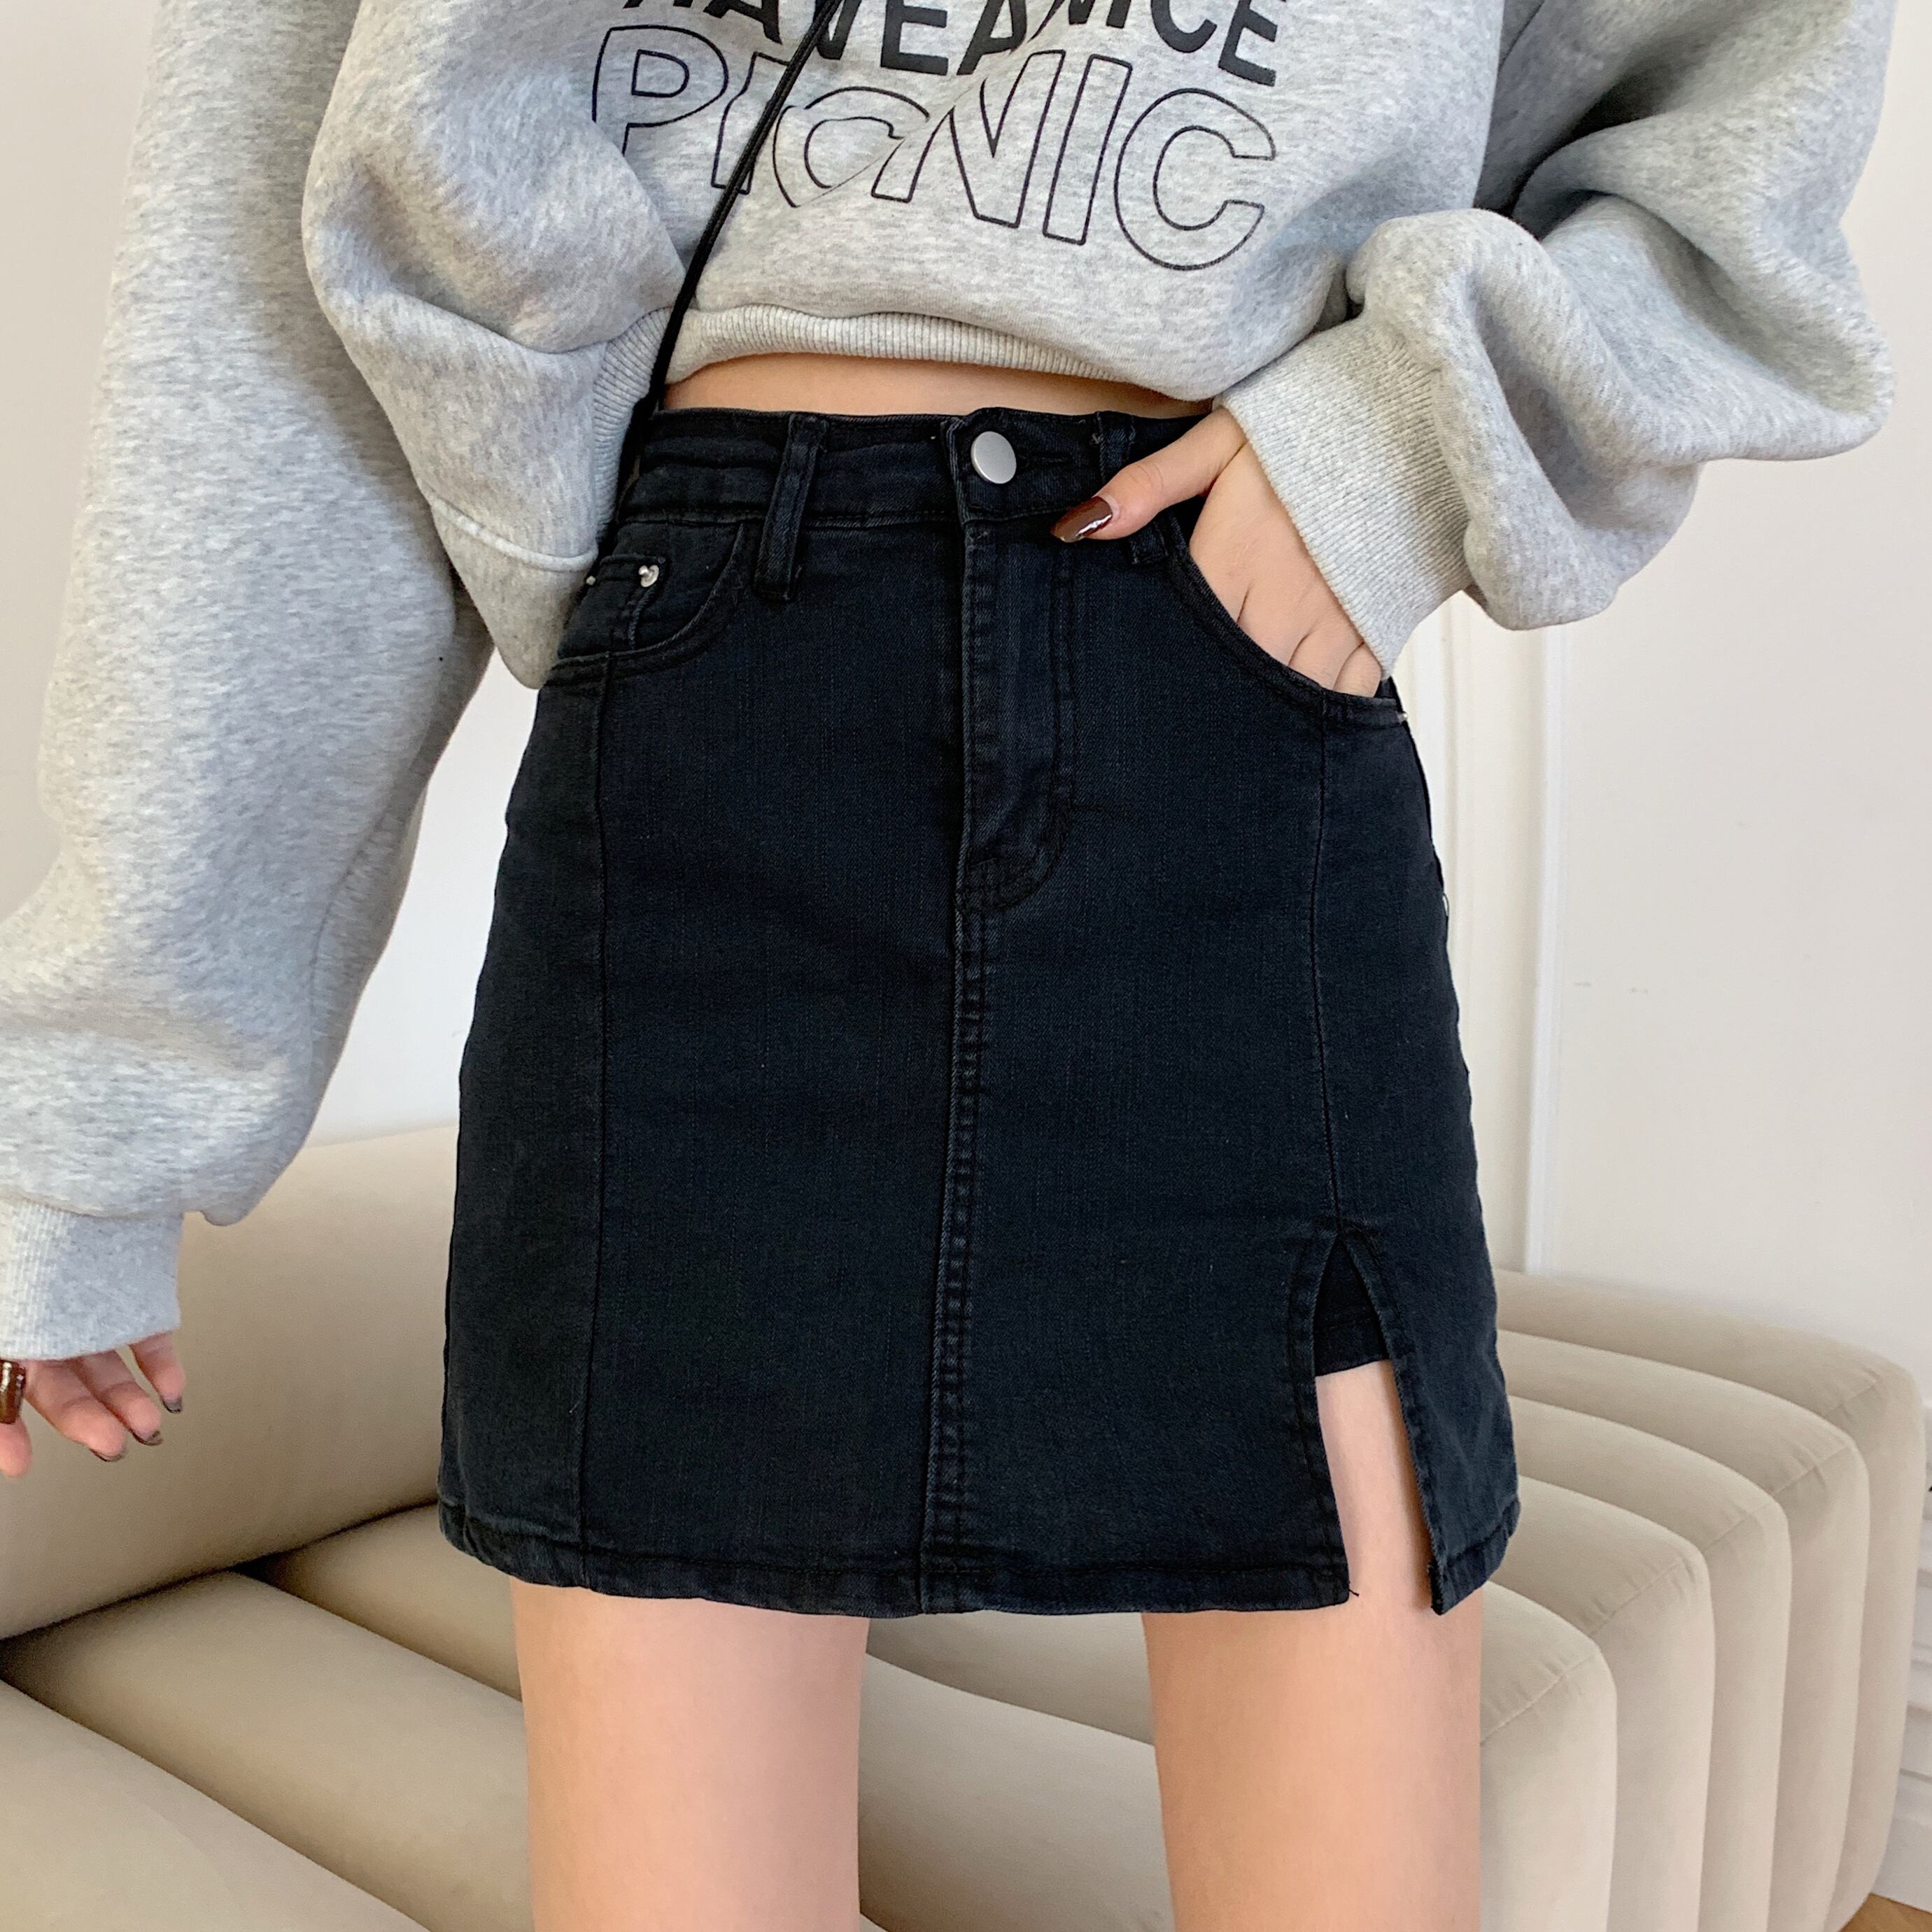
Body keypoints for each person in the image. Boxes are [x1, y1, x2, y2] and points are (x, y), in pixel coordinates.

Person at [0, 0, 1896, 1924]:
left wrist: (1402, 445)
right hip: (707, 714)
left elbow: (1735, 114)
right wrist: (97, 1123)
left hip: (1223, 705)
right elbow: (270, 262)